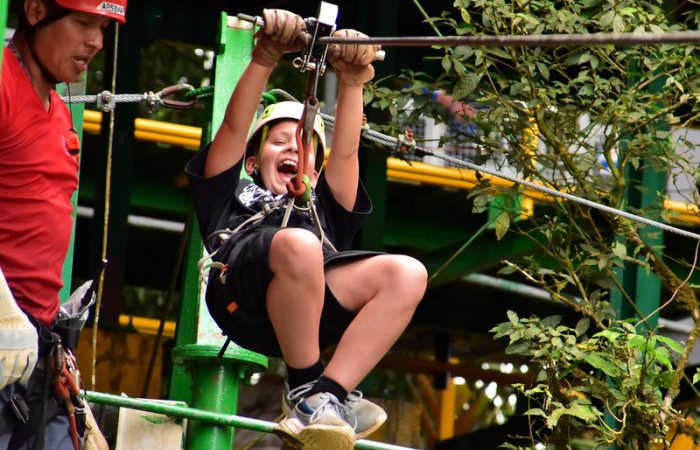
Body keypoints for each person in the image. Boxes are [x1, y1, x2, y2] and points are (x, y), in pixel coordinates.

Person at [186, 8, 427, 450]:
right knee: (298, 244)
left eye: (304, 146)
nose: (293, 149)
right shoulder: (228, 196)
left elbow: (348, 155)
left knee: (408, 272)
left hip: (312, 309)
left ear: (315, 170)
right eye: (279, 141)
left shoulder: (322, 212)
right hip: (243, 295)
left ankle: (330, 396)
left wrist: (352, 80)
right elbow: (236, 127)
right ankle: (306, 387)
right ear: (254, 162)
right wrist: (265, 55)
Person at [0, 1, 126, 449]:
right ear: (35, 10)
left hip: (38, 349)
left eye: (104, 28)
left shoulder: (57, 109)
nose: (95, 41)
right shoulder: (3, 84)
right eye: (83, 23)